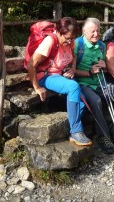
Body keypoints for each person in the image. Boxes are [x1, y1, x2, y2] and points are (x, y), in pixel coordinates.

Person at [26, 17, 91, 146]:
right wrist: (36, 87)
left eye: (72, 38)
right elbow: (31, 64)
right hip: (45, 75)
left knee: (83, 103)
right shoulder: (50, 41)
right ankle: (76, 131)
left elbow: (73, 56)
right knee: (73, 86)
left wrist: (72, 68)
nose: (70, 41)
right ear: (59, 32)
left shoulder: (70, 41)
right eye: (67, 38)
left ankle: (67, 127)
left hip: (59, 75)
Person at [74, 18, 114, 153]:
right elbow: (72, 70)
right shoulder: (78, 44)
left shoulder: (101, 45)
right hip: (84, 84)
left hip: (101, 82)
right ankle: (103, 137)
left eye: (98, 31)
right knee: (96, 101)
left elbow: (105, 67)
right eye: (92, 31)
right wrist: (89, 72)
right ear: (84, 31)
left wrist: (104, 66)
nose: (96, 34)